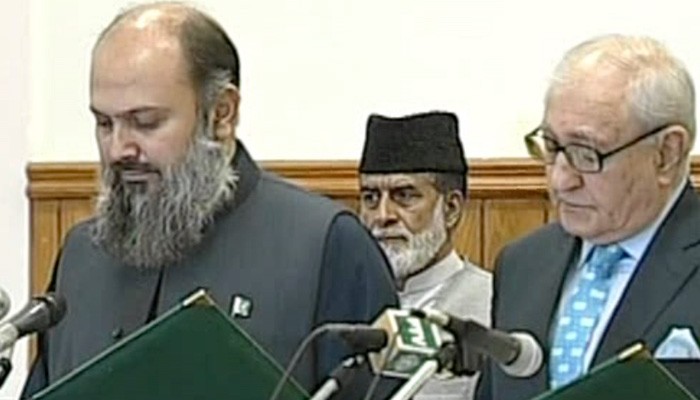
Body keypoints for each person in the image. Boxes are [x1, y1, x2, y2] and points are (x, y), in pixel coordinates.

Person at [21, 2, 397, 397]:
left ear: (221, 114)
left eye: (145, 122)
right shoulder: (81, 256)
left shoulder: (327, 246)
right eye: (104, 123)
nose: (118, 149)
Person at [476, 34, 700, 399]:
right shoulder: (521, 264)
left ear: (666, 154)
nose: (560, 180)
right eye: (552, 147)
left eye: (587, 154)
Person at [358, 112, 492, 399]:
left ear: (451, 208)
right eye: (370, 198)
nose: (383, 216)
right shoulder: (342, 301)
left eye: (404, 196)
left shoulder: (493, 307)